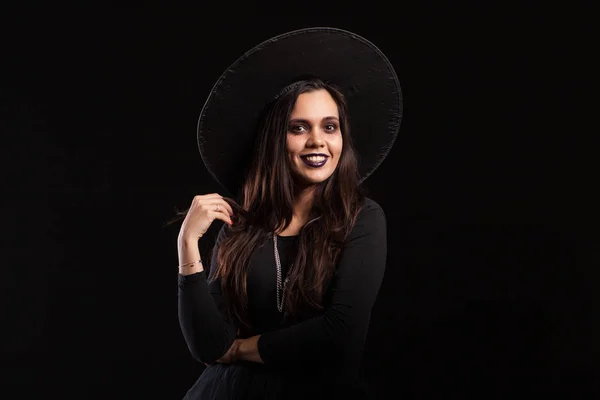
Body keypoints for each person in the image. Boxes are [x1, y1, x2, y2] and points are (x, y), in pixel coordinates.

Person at [175, 27, 403, 399]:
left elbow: (339, 337)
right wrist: (188, 246)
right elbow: (208, 347)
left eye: (330, 127)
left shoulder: (361, 218)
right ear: (275, 140)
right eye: (299, 128)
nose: (317, 141)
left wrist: (243, 349)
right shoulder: (241, 225)